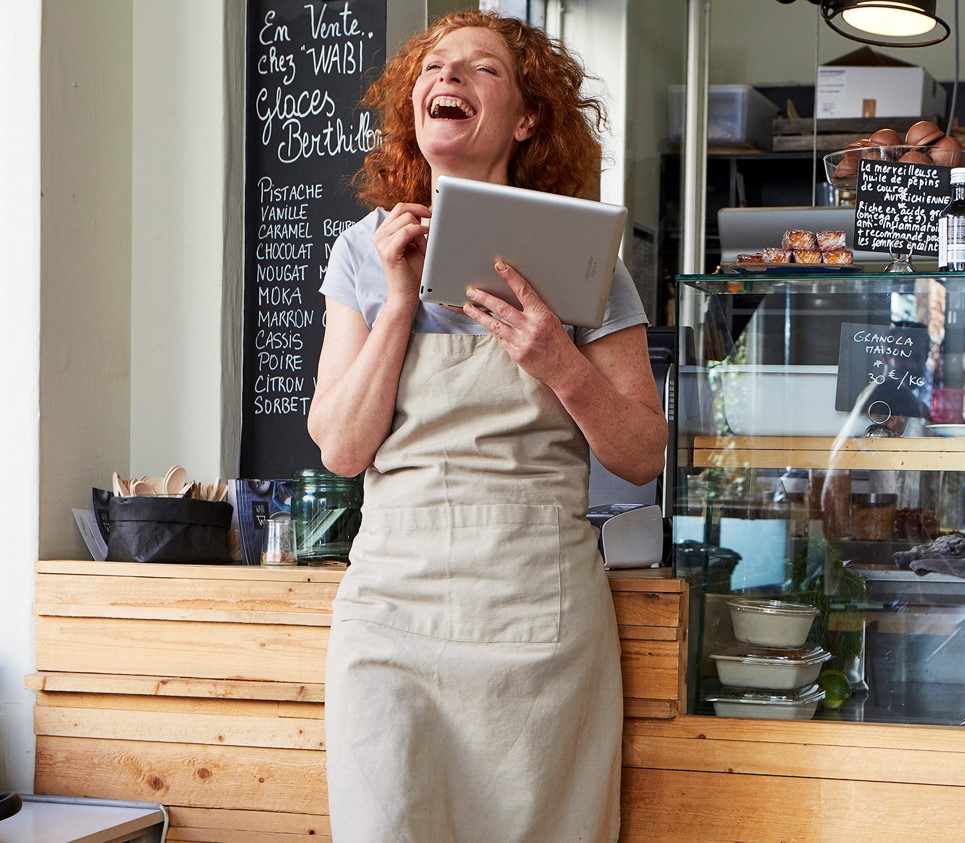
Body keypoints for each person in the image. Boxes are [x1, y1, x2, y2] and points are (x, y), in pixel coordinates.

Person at [307, 12, 665, 841]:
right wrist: (399, 301)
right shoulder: (364, 252)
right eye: (435, 67)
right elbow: (342, 447)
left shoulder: (582, 258)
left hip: (535, 604)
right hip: (392, 603)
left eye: (482, 70)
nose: (449, 78)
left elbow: (642, 453)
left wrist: (558, 359)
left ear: (528, 116)